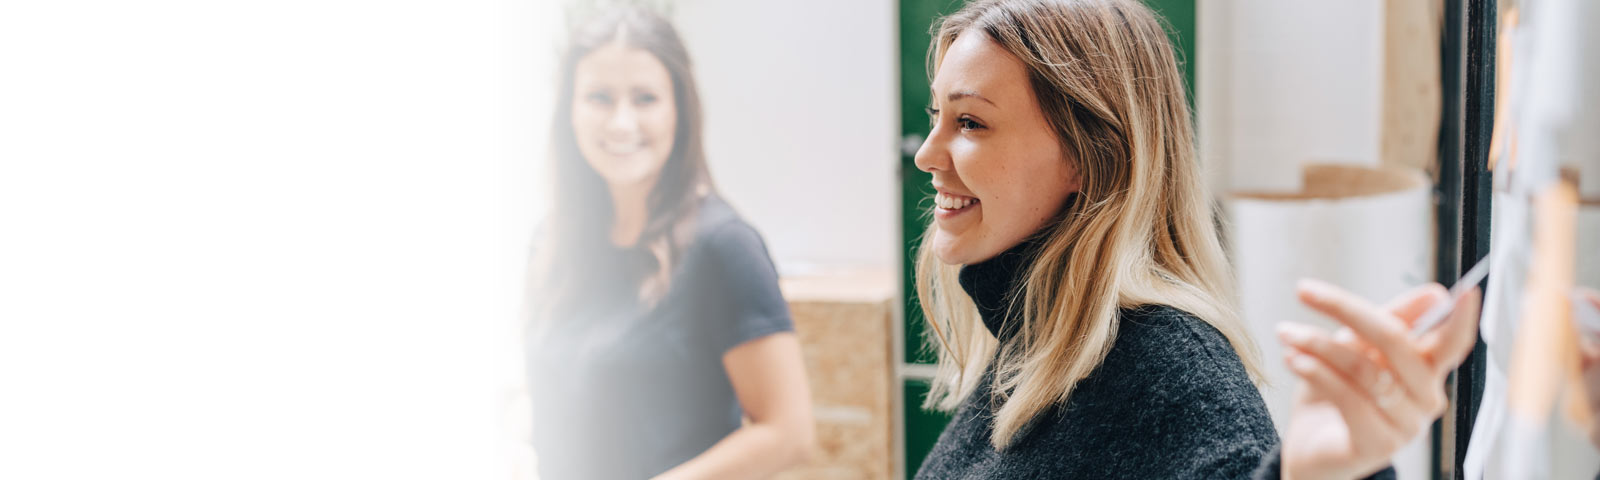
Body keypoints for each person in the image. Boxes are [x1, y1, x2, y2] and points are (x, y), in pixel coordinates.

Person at [907, 0, 1481, 478]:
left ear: (1089, 157)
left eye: (970, 122)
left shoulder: (1170, 376)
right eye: (937, 117)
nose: (927, 155)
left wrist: (1321, 474)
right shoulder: (1041, 339)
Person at [525, 7, 813, 479]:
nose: (621, 123)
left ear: (679, 110)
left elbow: (789, 433)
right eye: (599, 98)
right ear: (569, 111)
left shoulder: (724, 247)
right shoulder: (550, 242)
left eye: (645, 98)